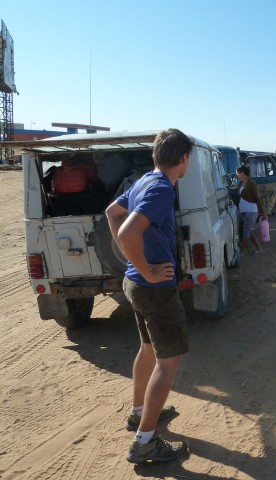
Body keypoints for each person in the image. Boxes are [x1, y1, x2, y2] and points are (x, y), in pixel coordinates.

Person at [105, 128, 191, 464]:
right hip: (153, 288)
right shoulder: (161, 190)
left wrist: (133, 265)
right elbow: (126, 230)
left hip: (136, 285)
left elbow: (112, 213)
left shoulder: (143, 181)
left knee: (147, 349)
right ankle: (144, 442)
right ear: (183, 158)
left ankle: (138, 413)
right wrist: (146, 268)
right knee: (168, 362)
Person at [236, 164, 267, 255]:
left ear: (242, 173)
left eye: (238, 173)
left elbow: (257, 198)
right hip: (243, 211)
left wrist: (262, 212)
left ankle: (241, 251)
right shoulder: (240, 183)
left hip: (252, 211)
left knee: (246, 231)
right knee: (248, 231)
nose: (237, 175)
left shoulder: (251, 183)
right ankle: (259, 248)